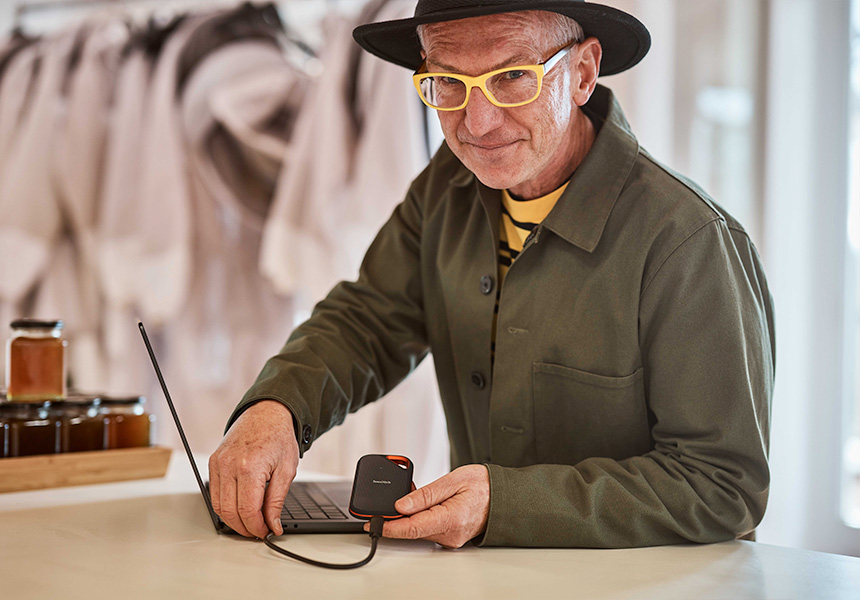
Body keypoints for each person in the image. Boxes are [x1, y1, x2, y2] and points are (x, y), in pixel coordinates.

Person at [209, 0, 775, 549]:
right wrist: (276, 408)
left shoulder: (690, 243)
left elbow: (723, 485)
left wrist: (504, 503)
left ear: (582, 74)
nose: (476, 122)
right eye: (449, 83)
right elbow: (369, 320)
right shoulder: (445, 188)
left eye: (511, 78)